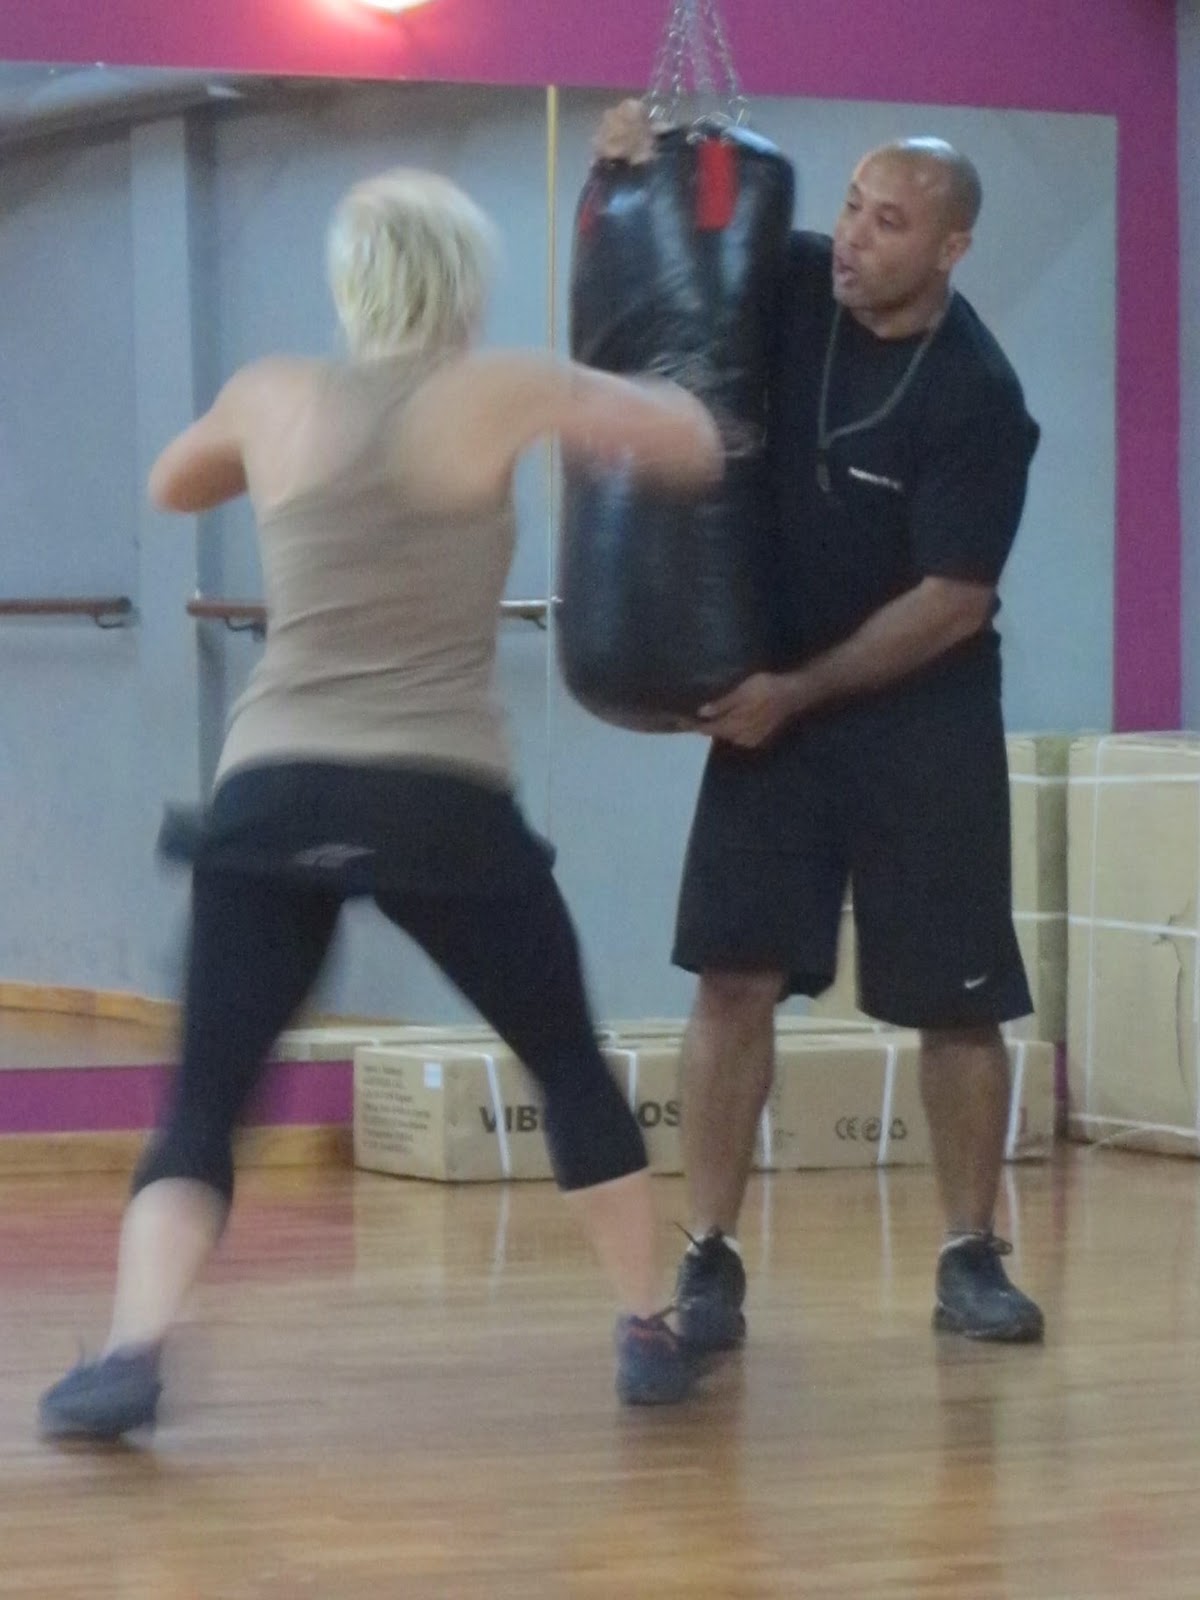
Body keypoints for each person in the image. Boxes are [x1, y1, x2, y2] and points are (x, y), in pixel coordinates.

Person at [38, 167, 723, 1441]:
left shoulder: (272, 392)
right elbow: (687, 445)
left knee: (204, 1098)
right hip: (441, 796)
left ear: (351, 283)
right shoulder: (503, 386)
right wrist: (679, 349)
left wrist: (278, 460)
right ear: (467, 283)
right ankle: (646, 1329)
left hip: (274, 792)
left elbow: (173, 484)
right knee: (566, 1061)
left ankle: (130, 1352)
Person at [598, 105, 1044, 1351]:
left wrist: (795, 691)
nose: (851, 236)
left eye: (887, 222)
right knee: (732, 975)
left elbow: (953, 601)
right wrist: (630, 163)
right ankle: (709, 1253)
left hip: (921, 714)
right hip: (775, 715)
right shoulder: (794, 284)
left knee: (957, 1000)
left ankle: (969, 1254)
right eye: (850, 205)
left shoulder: (977, 394)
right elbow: (679, 241)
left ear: (950, 249)